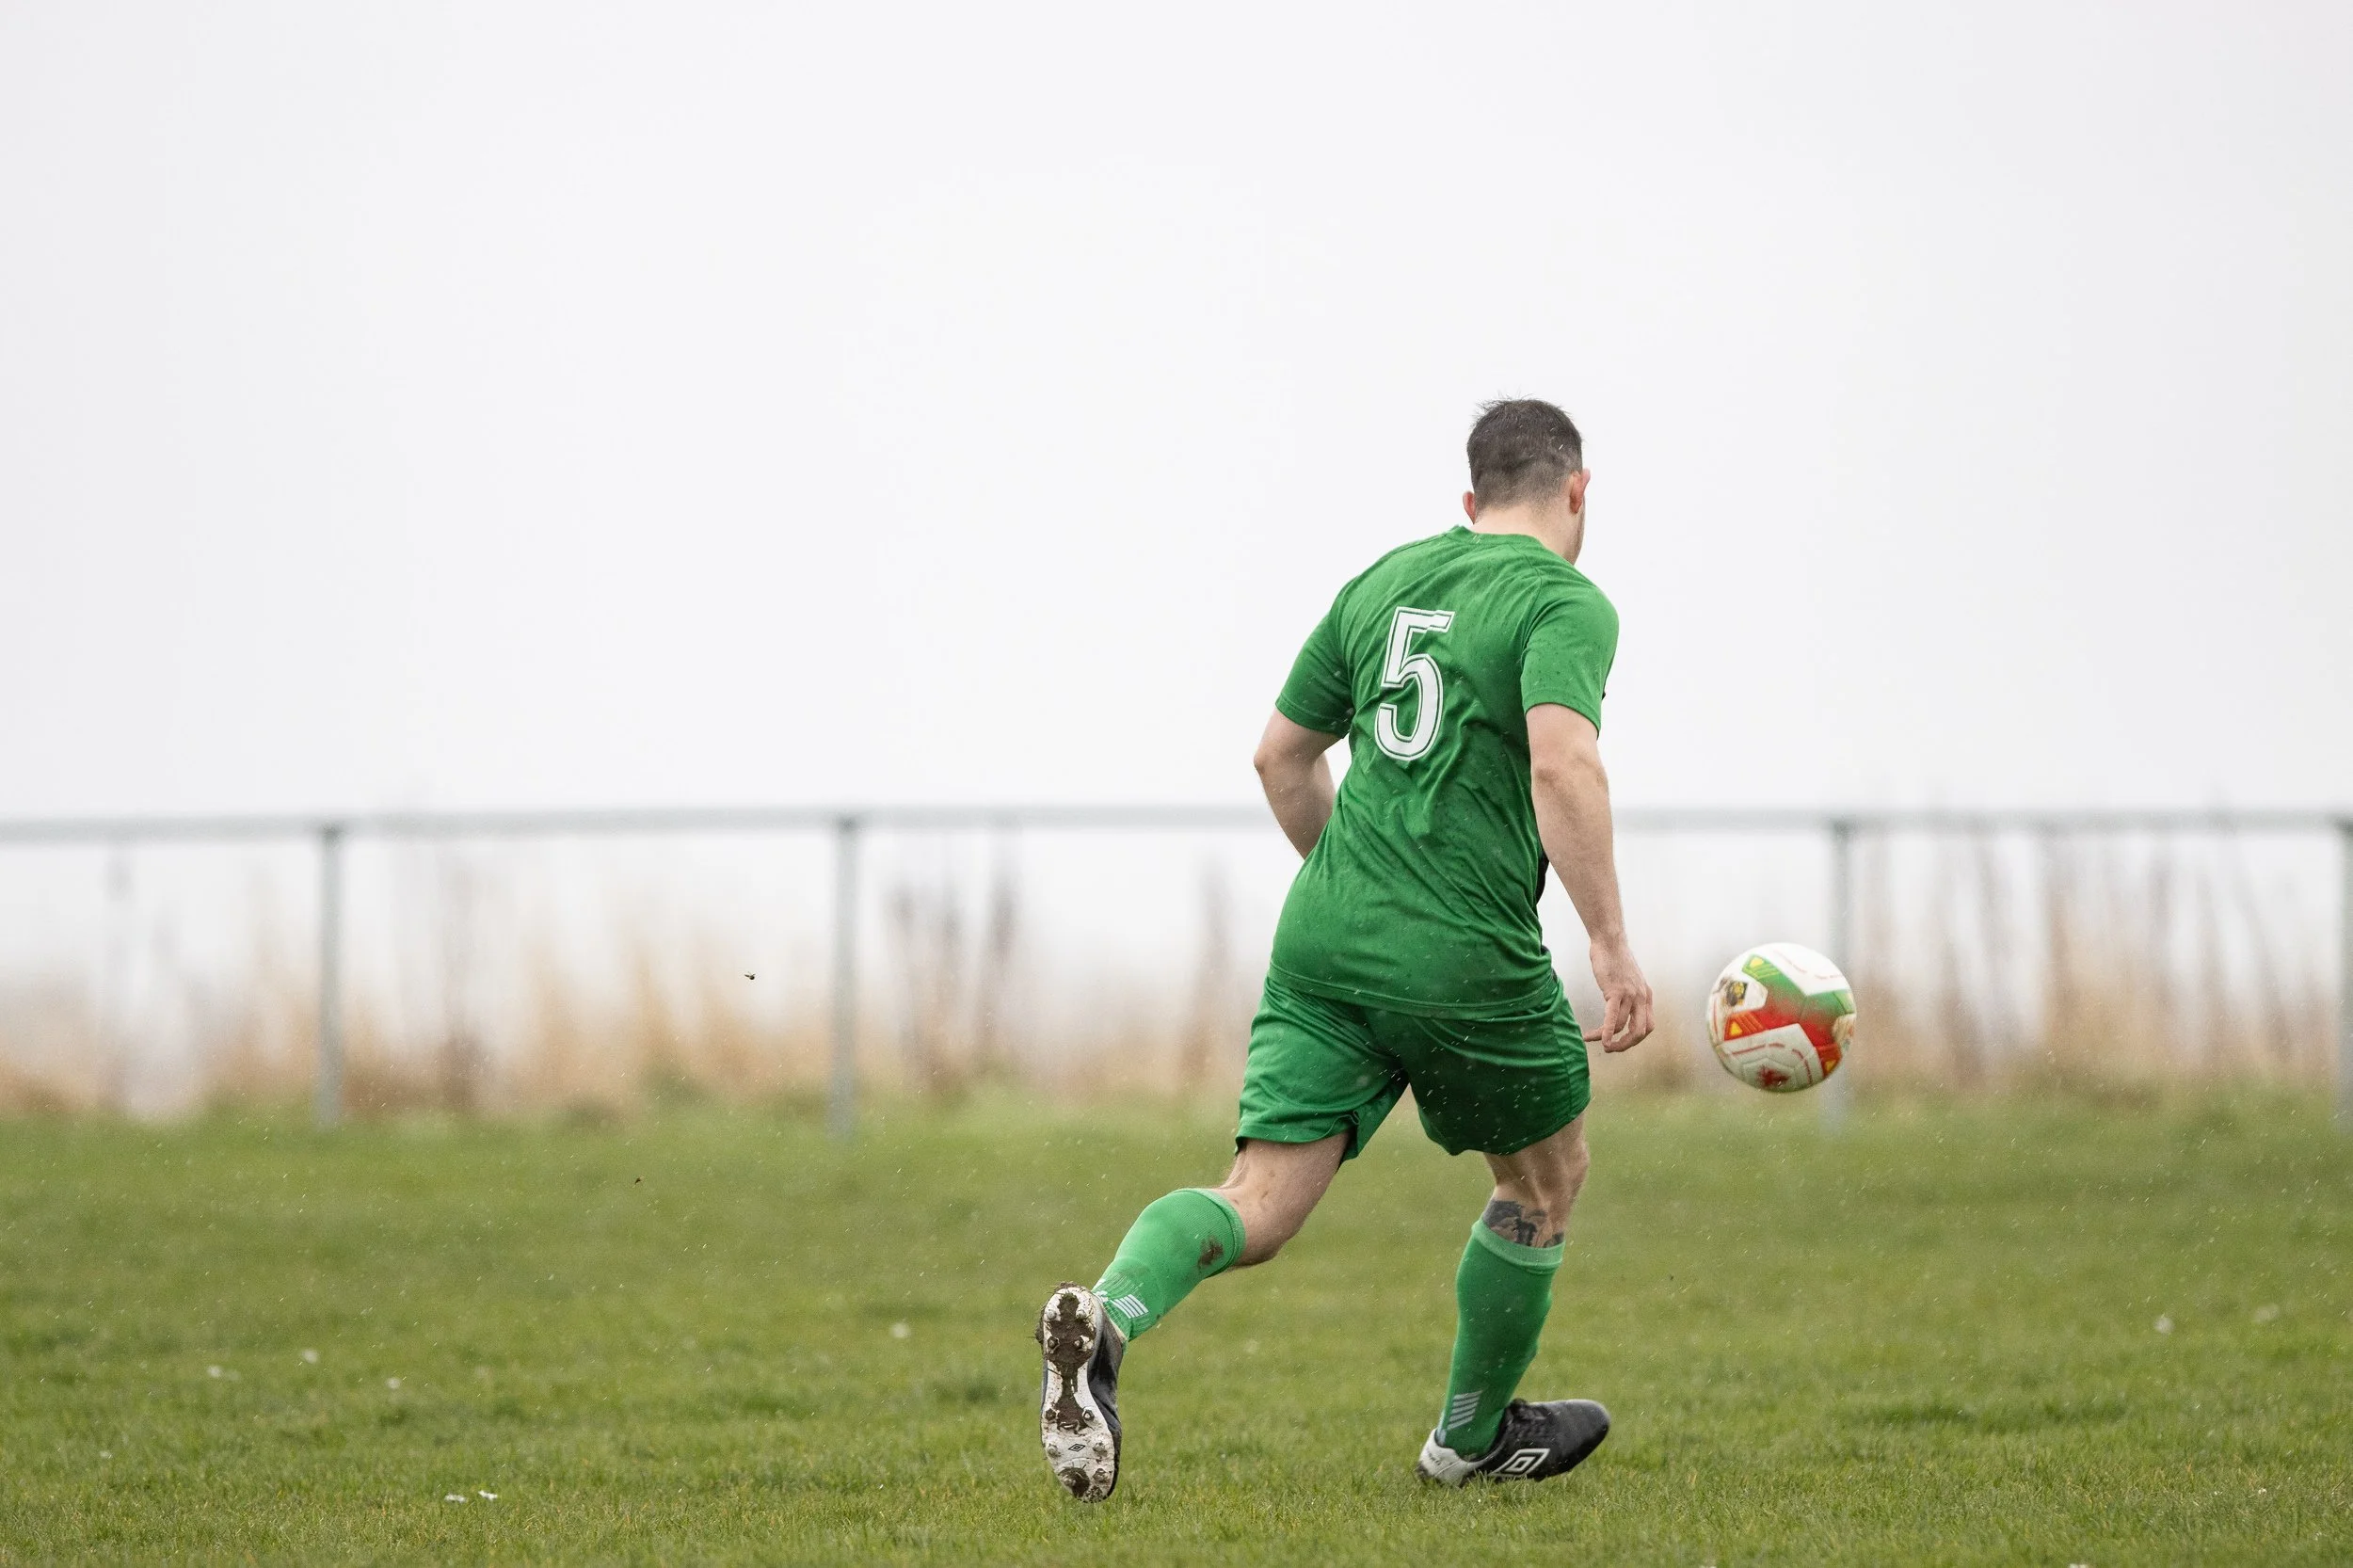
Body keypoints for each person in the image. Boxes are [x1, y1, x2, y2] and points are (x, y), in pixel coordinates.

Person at [1035, 398, 1655, 1502]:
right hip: (1466, 953)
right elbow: (1562, 767)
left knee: (1258, 1200)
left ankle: (1111, 1316)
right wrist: (1610, 947)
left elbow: (1280, 758)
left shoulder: (1382, 583)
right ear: (1577, 490)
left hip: (1324, 938)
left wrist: (1357, 892)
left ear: (1468, 504)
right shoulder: (1565, 602)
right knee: (1543, 1176)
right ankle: (1467, 1440)